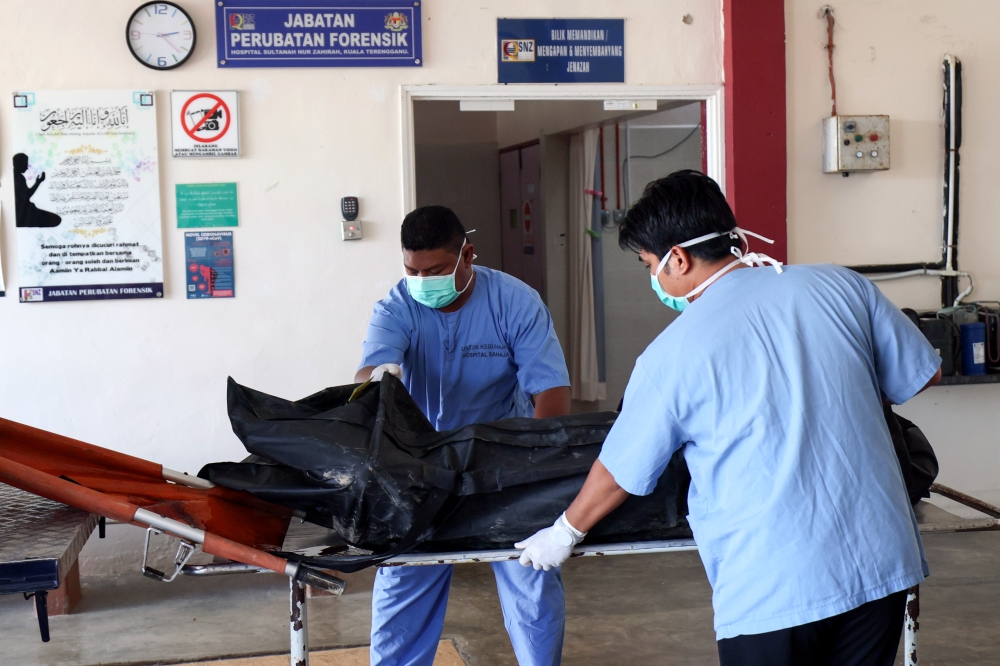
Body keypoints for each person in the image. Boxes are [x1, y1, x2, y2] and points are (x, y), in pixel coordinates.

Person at [515, 170, 942, 666]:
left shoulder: (671, 354)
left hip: (776, 583)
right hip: (881, 561)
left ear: (677, 258)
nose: (652, 277)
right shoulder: (840, 285)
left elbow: (622, 470)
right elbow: (918, 376)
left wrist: (565, 530)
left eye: (648, 264)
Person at [357, 205, 572, 666]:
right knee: (404, 580)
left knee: (531, 578)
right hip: (422, 466)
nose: (421, 281)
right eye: (412, 270)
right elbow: (368, 375)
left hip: (502, 462)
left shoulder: (515, 302)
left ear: (467, 256)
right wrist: (377, 379)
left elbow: (551, 393)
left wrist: (537, 470)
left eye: (433, 270)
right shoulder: (398, 304)